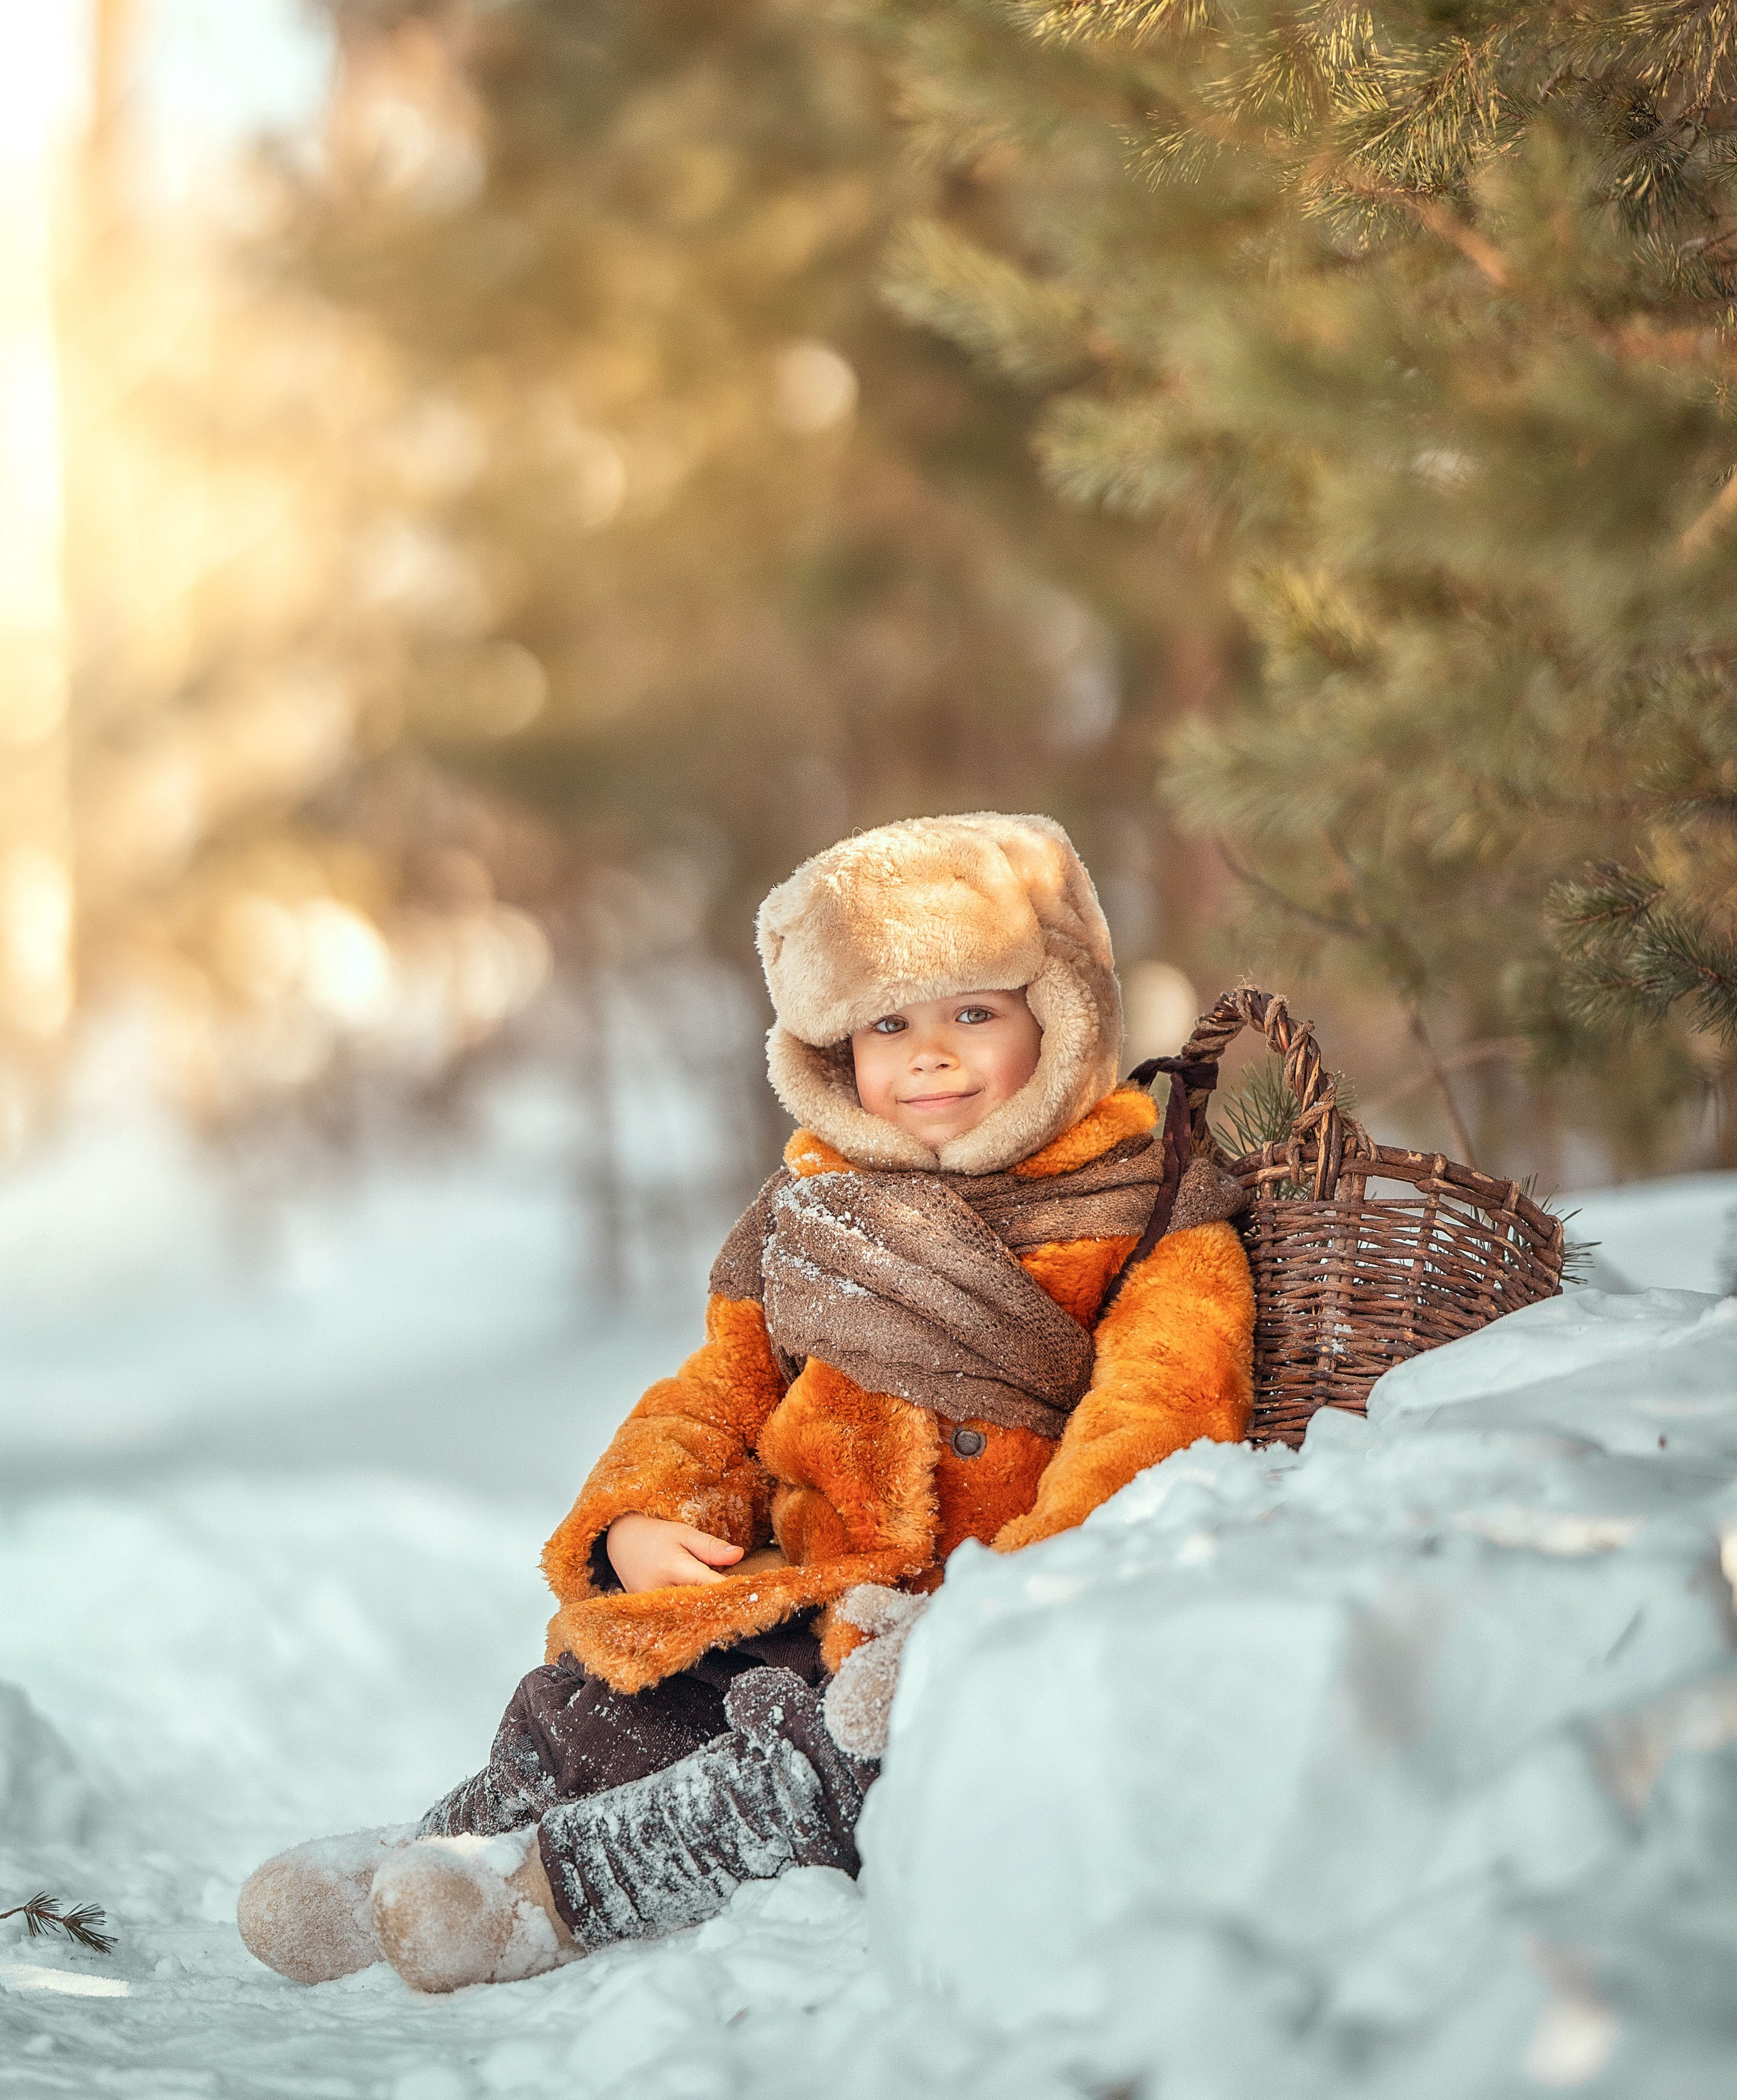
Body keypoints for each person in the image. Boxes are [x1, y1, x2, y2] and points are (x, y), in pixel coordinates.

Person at [237, 812, 1255, 1993]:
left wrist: (988, 1611)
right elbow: (715, 1396)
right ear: (833, 1049)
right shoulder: (808, 1216)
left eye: (972, 1013)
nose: (928, 1055)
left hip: (947, 1618)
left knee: (815, 1766)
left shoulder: (1147, 1207)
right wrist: (635, 1517)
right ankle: (436, 1855)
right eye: (889, 1023)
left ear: (1061, 1014)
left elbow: (1158, 1420)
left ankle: (544, 1900)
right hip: (809, 1582)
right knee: (594, 1694)